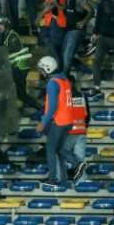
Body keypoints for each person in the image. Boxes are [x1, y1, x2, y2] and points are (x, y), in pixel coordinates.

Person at [36, 56, 84, 187]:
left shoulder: (52, 83)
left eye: (42, 70)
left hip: (60, 120)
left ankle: (52, 178)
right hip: (69, 121)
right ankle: (76, 163)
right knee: (58, 147)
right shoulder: (65, 80)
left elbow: (52, 106)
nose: (41, 73)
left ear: (48, 68)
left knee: (50, 149)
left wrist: (43, 122)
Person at [0, 15, 41, 110]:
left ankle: (39, 107)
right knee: (18, 94)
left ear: (7, 25)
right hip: (15, 68)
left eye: (1, 25)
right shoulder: (6, 35)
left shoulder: (12, 35)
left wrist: (1, 52)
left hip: (19, 68)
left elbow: (13, 49)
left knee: (19, 93)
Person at [61, 0, 94, 76]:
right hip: (69, 30)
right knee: (65, 56)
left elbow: (91, 10)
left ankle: (63, 78)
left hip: (76, 31)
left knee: (67, 56)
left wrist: (84, 21)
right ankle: (87, 71)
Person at [37, 0, 67, 70]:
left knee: (55, 52)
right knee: (55, 49)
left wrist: (39, 16)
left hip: (56, 22)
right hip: (61, 21)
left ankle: (59, 73)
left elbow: (52, 4)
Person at [66, 75, 89, 184]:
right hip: (81, 133)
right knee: (80, 162)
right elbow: (87, 115)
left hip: (66, 133)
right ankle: (82, 187)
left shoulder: (62, 97)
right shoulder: (82, 96)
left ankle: (64, 187)